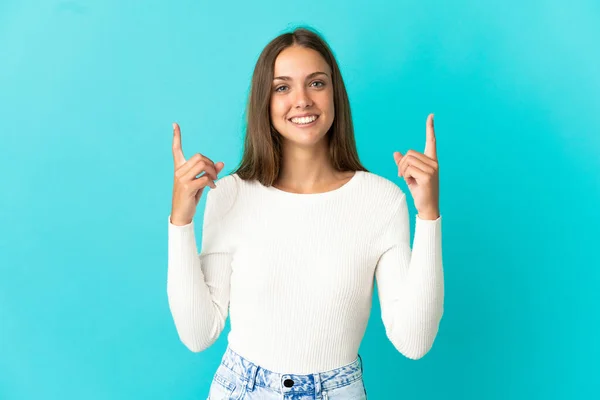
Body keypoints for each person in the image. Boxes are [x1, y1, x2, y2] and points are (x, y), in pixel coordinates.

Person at [167, 27, 444, 400]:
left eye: (316, 83)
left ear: (335, 94)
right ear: (264, 101)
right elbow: (198, 334)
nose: (302, 100)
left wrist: (428, 215)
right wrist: (180, 220)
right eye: (282, 87)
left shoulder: (382, 200)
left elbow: (414, 341)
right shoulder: (229, 194)